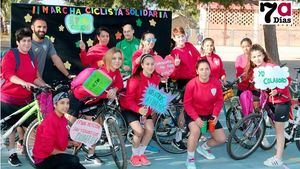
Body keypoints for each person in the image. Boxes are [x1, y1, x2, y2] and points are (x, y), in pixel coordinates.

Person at [66, 47, 124, 164]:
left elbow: (120, 83)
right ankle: (59, 151)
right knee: (68, 127)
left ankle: (90, 155)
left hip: (93, 101)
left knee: (94, 128)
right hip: (78, 98)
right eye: (114, 58)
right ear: (108, 59)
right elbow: (91, 91)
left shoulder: (116, 72)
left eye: (119, 58)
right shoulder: (102, 73)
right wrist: (106, 95)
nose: (117, 61)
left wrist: (115, 88)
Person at [1, 27, 47, 167]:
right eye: (24, 41)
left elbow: (34, 77)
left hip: (25, 100)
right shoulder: (11, 54)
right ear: (18, 42)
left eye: (29, 41)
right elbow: (8, 74)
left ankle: (30, 150)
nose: (27, 44)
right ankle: (12, 155)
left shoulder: (31, 56)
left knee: (32, 126)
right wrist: (23, 83)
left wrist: (44, 85)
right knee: (11, 129)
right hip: (9, 99)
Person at [244, 44, 291, 167]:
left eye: (259, 55)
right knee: (275, 126)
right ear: (251, 59)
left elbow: (287, 80)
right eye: (254, 57)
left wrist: (278, 91)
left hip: (281, 102)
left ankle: (278, 159)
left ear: (264, 55)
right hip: (270, 103)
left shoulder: (273, 67)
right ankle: (283, 139)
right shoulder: (257, 71)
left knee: (279, 132)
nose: (257, 59)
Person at [184, 59, 226, 169]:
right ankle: (190, 159)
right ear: (197, 71)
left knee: (221, 139)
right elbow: (187, 104)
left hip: (209, 115)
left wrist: (215, 115)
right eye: (201, 69)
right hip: (194, 115)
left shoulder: (216, 82)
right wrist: (196, 119)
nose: (204, 71)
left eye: (207, 69)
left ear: (210, 70)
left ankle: (203, 148)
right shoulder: (191, 84)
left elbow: (219, 100)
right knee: (196, 131)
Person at [120, 54, 160, 167]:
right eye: (147, 64)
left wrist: (147, 112)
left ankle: (140, 154)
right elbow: (128, 100)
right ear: (142, 65)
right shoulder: (135, 79)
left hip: (144, 110)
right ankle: (134, 156)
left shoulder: (156, 78)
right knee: (139, 131)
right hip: (130, 108)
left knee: (150, 130)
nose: (150, 66)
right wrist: (138, 109)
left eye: (152, 64)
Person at [33, 92, 86, 169]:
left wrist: (73, 143)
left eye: (67, 103)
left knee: (79, 166)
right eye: (62, 103)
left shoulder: (63, 119)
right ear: (55, 105)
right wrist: (65, 154)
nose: (66, 106)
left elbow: (59, 141)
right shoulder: (50, 121)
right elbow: (48, 148)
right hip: (43, 160)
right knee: (73, 160)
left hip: (54, 155)